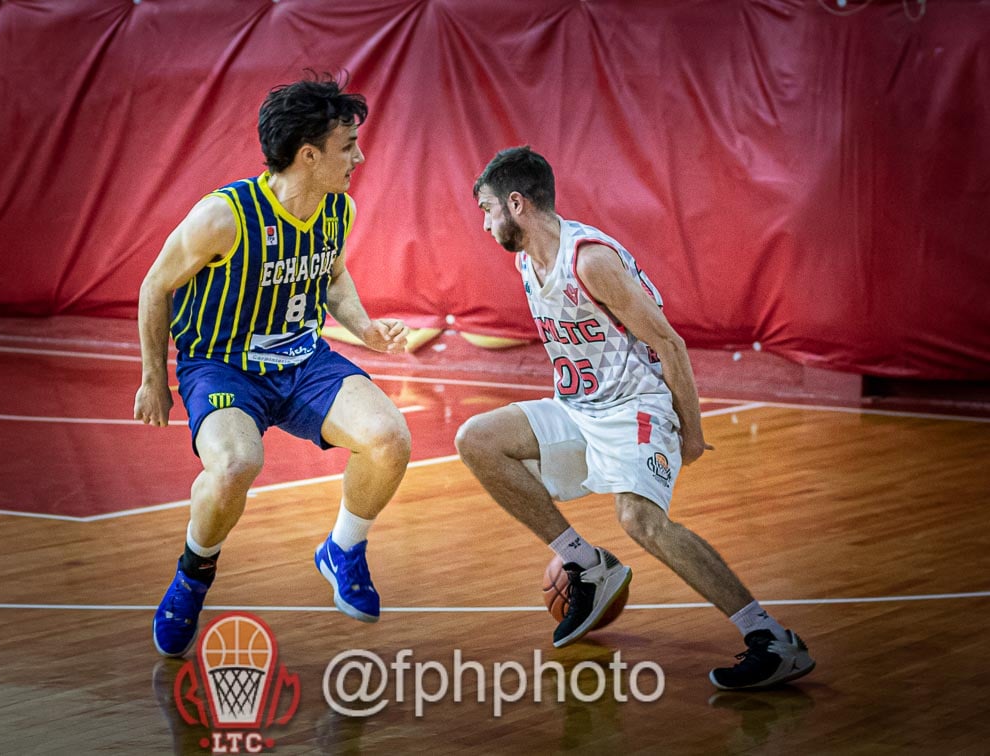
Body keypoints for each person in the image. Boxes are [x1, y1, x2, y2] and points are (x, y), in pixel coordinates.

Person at [456, 146, 814, 690]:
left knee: (641, 522)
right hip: (580, 408)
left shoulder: (590, 260)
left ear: (516, 203)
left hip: (637, 408)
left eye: (486, 209)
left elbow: (669, 344)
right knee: (476, 439)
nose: (484, 223)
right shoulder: (527, 258)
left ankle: (770, 638)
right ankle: (587, 565)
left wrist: (692, 432)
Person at [134, 73, 412, 658]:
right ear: (309, 156)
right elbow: (154, 285)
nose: (359, 157)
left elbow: (331, 276)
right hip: (223, 364)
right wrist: (154, 379)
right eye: (347, 147)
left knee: (390, 438)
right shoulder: (224, 216)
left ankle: (342, 548)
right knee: (236, 464)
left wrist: (364, 327)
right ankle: (192, 575)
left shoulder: (338, 210)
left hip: (303, 358)